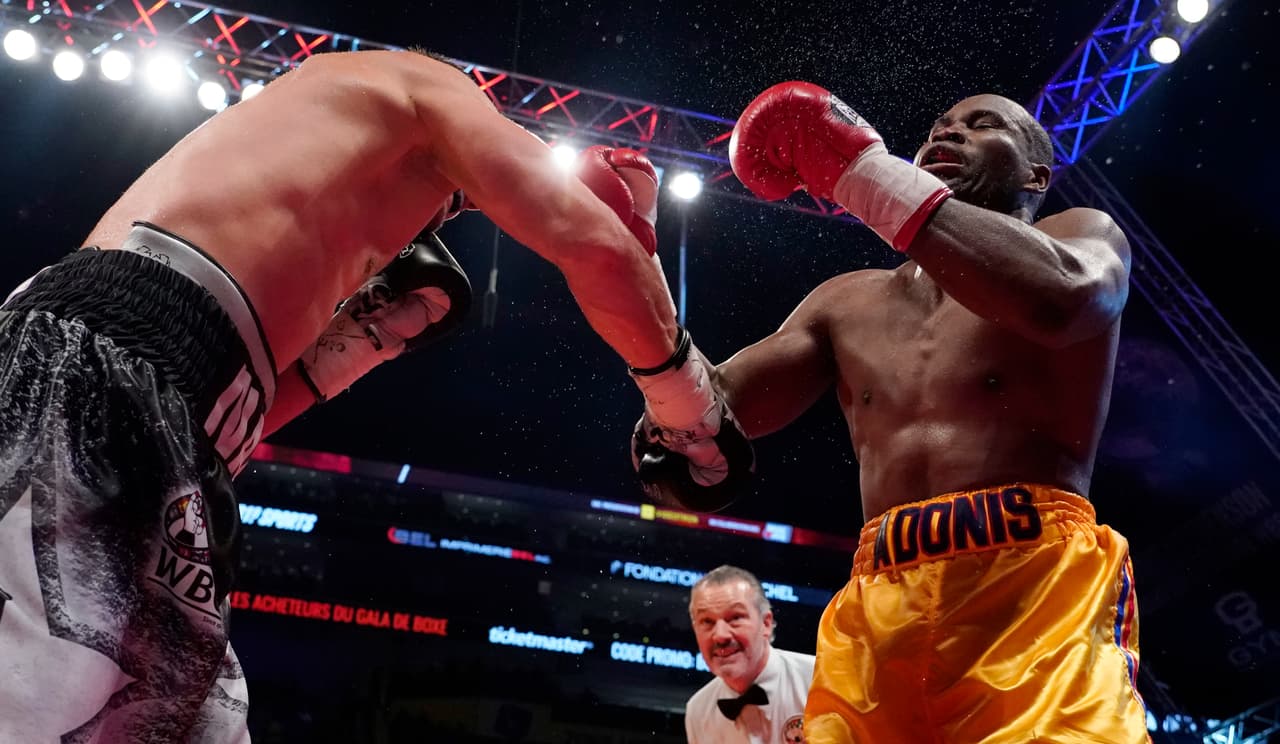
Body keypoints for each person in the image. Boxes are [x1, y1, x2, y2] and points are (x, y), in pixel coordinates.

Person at [0, 48, 681, 742]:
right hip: (87, 361)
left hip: (175, 433)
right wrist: (689, 406)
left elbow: (219, 423)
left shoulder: (294, 250)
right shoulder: (422, 84)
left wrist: (363, 340)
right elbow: (594, 246)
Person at [625, 81, 1147, 742]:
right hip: (880, 605)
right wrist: (625, 274)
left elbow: (1066, 298)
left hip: (1035, 594)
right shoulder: (848, 301)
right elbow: (709, 412)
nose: (948, 132)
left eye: (982, 125)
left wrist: (860, 173)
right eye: (939, 123)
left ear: (1035, 174)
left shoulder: (1080, 236)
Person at [684, 565, 815, 744]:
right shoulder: (698, 711)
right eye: (707, 621)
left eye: (735, 618)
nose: (721, 635)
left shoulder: (817, 680)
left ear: (766, 624)